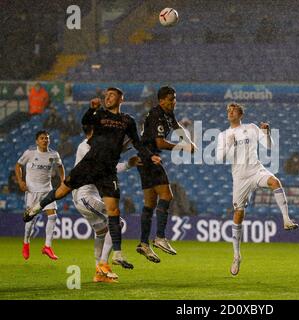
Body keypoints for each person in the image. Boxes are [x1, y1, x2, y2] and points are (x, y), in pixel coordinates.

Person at [23, 87, 161, 272]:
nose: (108, 97)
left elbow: (137, 142)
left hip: (107, 170)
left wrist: (150, 156)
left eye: (112, 95)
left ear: (121, 98)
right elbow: (85, 122)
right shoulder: (100, 115)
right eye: (106, 95)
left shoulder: (128, 120)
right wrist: (91, 109)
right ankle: (36, 208)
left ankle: (117, 255)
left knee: (114, 211)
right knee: (62, 191)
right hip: (89, 164)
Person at [217, 102, 298, 276]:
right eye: (228, 111)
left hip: (256, 170)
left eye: (233, 110)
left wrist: (267, 133)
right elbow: (219, 158)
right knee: (239, 213)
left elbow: (269, 146)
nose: (230, 112)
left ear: (241, 114)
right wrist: (229, 144)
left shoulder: (251, 128)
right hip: (240, 178)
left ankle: (286, 219)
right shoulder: (224, 135)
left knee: (275, 182)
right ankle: (237, 255)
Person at [72, 124, 141, 283]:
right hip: (84, 195)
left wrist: (127, 161)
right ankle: (103, 263)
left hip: (89, 195)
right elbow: (105, 167)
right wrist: (125, 160)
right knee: (118, 222)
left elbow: (108, 165)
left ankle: (99, 273)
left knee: (102, 232)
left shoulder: (95, 147)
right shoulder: (85, 147)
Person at [136, 86, 196, 263]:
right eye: (170, 99)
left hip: (144, 160)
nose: (173, 102)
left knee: (149, 203)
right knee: (167, 196)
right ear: (161, 100)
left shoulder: (167, 114)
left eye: (174, 99)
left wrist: (189, 141)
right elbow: (160, 143)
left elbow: (177, 127)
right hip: (150, 159)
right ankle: (160, 237)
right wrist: (184, 148)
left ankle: (143, 244)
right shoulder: (157, 115)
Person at [15, 130, 65, 260]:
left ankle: (47, 246)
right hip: (32, 191)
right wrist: (20, 181)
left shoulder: (54, 154)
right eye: (42, 138)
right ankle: (26, 243)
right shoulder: (30, 153)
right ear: (37, 141)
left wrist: (63, 181)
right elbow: (18, 165)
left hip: (47, 190)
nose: (45, 140)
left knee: (53, 216)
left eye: (47, 138)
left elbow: (60, 166)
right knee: (30, 221)